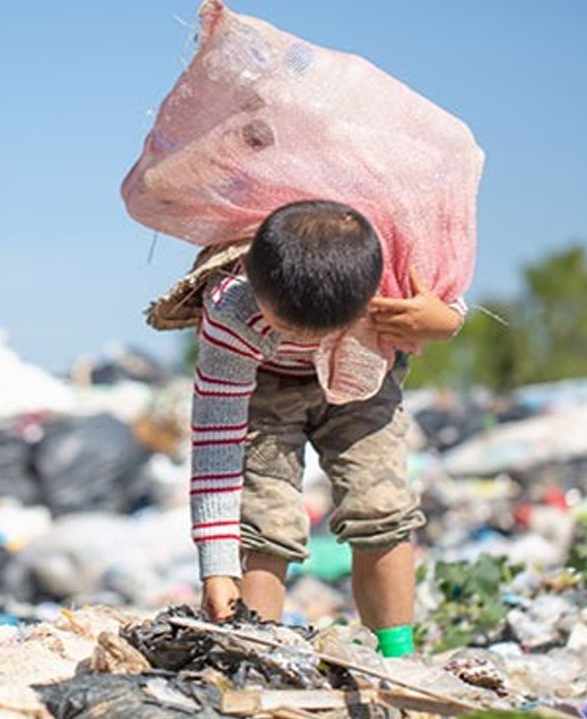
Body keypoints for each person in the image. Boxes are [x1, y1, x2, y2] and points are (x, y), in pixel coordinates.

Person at [183, 199, 465, 658]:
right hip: (266, 387)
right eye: (287, 328)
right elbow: (217, 445)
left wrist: (446, 322)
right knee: (264, 524)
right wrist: (215, 568)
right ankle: (256, 656)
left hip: (365, 376)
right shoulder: (232, 315)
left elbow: (447, 300)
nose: (303, 342)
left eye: (321, 331)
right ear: (254, 280)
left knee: (382, 511)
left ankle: (397, 658)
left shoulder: (390, 282)